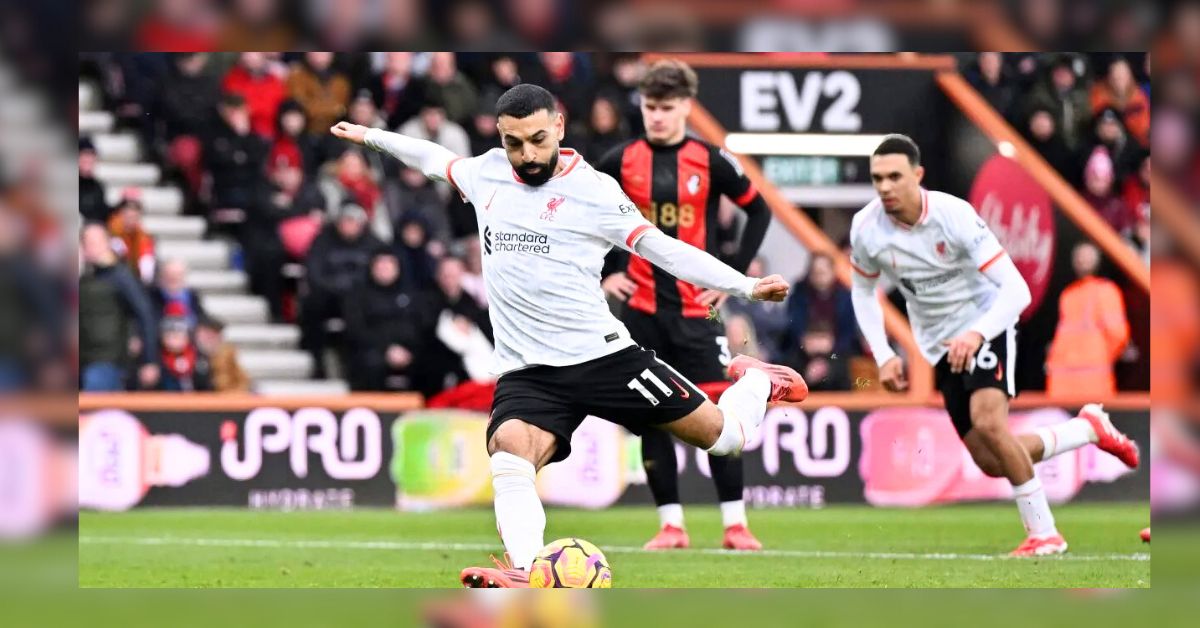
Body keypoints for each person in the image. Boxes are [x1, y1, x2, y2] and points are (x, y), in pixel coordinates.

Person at [330, 82, 803, 588]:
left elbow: (663, 250)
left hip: (604, 359)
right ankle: (529, 571)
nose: (526, 155)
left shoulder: (594, 190)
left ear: (558, 126)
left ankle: (755, 382)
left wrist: (745, 285)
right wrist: (371, 136)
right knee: (509, 451)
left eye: (537, 139)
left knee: (725, 439)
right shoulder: (487, 172)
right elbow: (433, 158)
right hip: (528, 371)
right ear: (500, 136)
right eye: (514, 143)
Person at [849, 134, 1140, 557]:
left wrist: (977, 333)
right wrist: (884, 353)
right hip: (938, 346)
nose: (886, 187)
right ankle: (1085, 429)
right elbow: (862, 292)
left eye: (895, 176)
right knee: (990, 459)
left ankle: (1044, 534)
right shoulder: (866, 229)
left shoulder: (955, 216)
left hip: (987, 325)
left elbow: (1017, 292)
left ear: (918, 175)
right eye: (878, 178)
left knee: (989, 423)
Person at [594, 59, 773, 551]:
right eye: (650, 106)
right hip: (643, 312)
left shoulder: (711, 159)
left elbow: (760, 208)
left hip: (700, 312)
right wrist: (608, 272)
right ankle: (671, 525)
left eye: (666, 108)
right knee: (652, 415)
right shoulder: (618, 160)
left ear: (686, 108)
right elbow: (582, 216)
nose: (656, 116)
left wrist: (735, 276)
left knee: (719, 411)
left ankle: (735, 525)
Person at [78, 223, 160, 392]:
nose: (90, 248)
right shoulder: (85, 277)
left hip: (106, 360)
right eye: (86, 243)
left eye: (95, 242)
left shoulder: (121, 276)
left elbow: (144, 314)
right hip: (83, 359)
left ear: (108, 243)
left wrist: (149, 359)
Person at [1045, 243, 1130, 398]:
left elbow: (1118, 335)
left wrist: (1098, 356)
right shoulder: (1068, 294)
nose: (1082, 262)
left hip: (1092, 384)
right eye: (1080, 258)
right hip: (1063, 384)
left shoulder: (1106, 291)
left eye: (1086, 258)